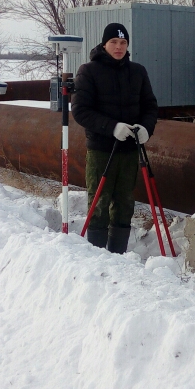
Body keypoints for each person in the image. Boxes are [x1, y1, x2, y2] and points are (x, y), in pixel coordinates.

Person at [72, 22, 159, 253]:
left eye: (123, 43)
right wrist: (111, 127)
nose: (119, 47)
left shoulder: (137, 71)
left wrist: (146, 127)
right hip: (102, 149)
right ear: (104, 43)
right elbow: (80, 111)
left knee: (124, 203)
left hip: (130, 150)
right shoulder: (88, 71)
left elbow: (150, 106)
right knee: (99, 202)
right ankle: (96, 255)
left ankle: (117, 256)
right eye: (114, 42)